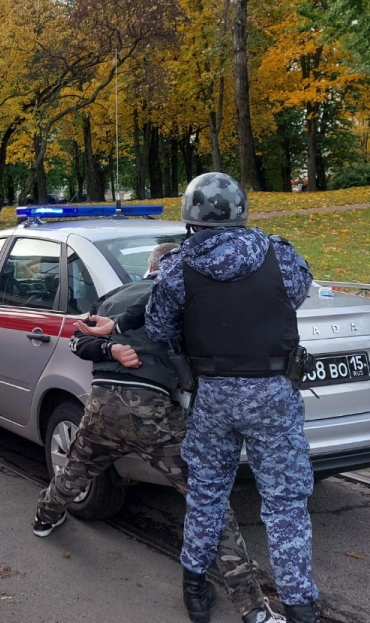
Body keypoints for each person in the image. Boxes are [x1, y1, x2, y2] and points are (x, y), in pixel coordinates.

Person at [33, 242, 285, 623]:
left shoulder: (114, 296)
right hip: (156, 415)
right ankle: (252, 609)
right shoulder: (187, 300)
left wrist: (112, 349)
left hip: (101, 405)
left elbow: (78, 340)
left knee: (77, 468)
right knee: (208, 500)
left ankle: (43, 518)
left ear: (149, 267)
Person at [145, 172, 319, 623]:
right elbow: (296, 294)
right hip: (273, 393)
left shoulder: (176, 267)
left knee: (205, 492)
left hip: (213, 396)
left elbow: (160, 328)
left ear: (191, 219)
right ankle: (301, 609)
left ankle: (196, 591)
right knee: (284, 503)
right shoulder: (279, 254)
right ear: (241, 211)